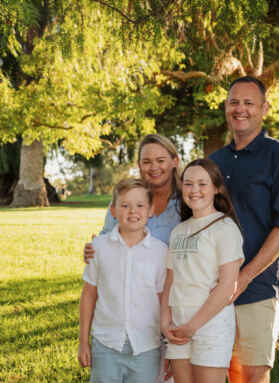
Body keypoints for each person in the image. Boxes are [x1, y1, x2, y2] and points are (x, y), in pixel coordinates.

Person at [209, 76, 279, 383]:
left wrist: (244, 276)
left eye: (249, 103)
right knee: (215, 374)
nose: (240, 109)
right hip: (212, 291)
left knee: (250, 378)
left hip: (258, 289)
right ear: (225, 107)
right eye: (234, 102)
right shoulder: (214, 162)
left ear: (264, 109)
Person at [83, 134, 181, 381]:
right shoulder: (127, 199)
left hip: (167, 312)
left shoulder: (186, 204)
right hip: (115, 329)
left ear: (174, 161)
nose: (154, 167)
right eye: (146, 161)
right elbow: (106, 244)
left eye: (160, 160)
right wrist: (92, 249)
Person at [160, 158, 244, 383]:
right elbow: (170, 281)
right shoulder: (178, 231)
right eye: (188, 184)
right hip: (179, 327)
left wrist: (193, 326)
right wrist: (165, 322)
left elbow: (227, 286)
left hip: (210, 324)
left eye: (202, 184)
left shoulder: (225, 228)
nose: (194, 190)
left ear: (216, 188)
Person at [78, 178, 168, 383]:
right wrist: (83, 341)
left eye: (140, 205)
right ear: (113, 210)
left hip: (146, 347)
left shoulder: (160, 252)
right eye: (125, 205)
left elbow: (164, 300)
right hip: (106, 344)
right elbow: (89, 294)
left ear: (151, 210)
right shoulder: (98, 248)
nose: (132, 211)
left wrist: (168, 346)